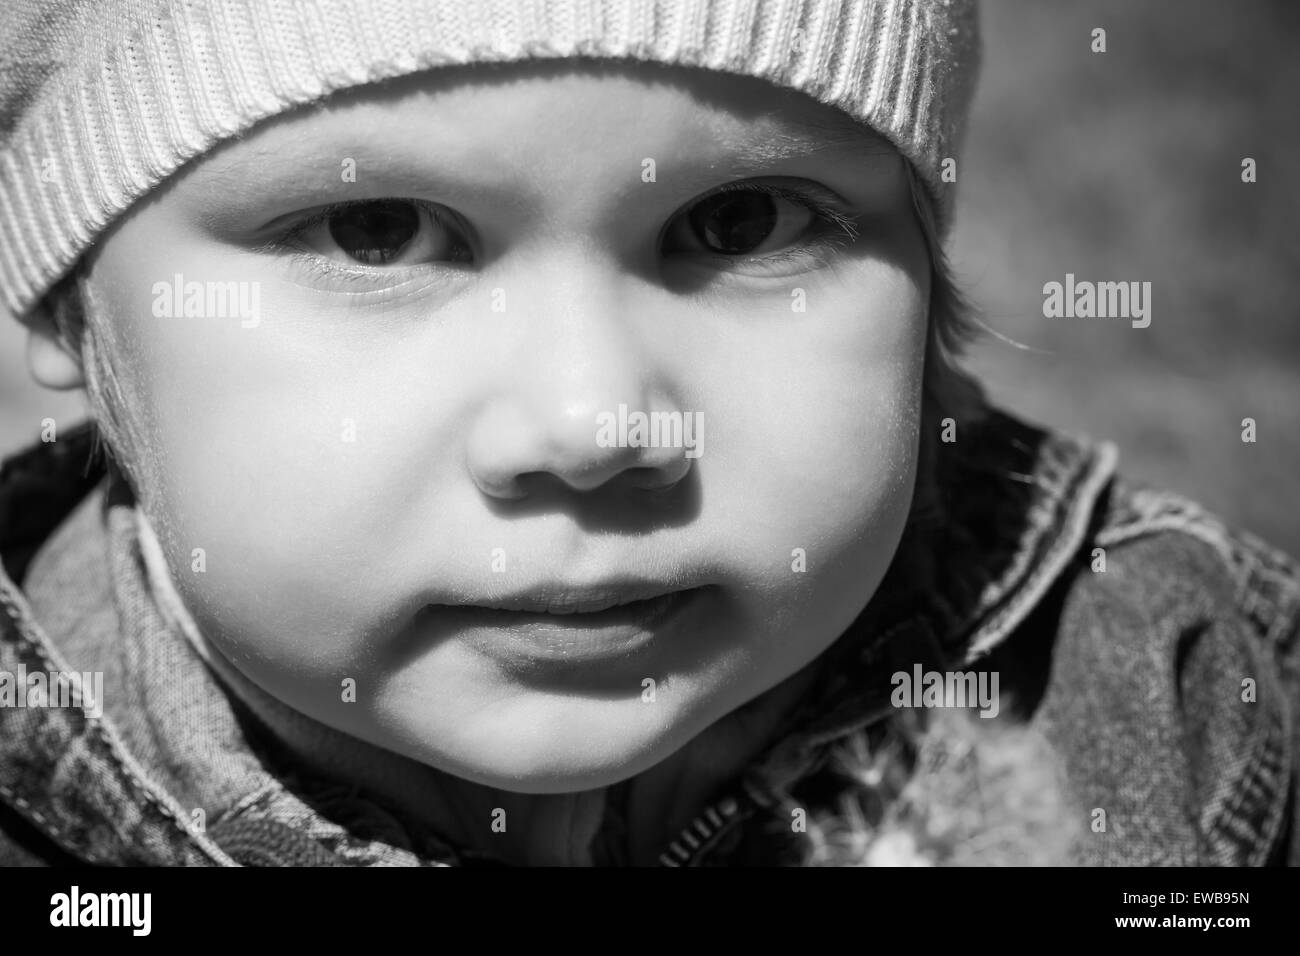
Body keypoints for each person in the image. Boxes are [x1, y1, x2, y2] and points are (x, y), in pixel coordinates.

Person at [0, 0, 1295, 867]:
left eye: (742, 225)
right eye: (374, 231)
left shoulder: (1159, 693)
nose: (592, 424)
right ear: (68, 303)